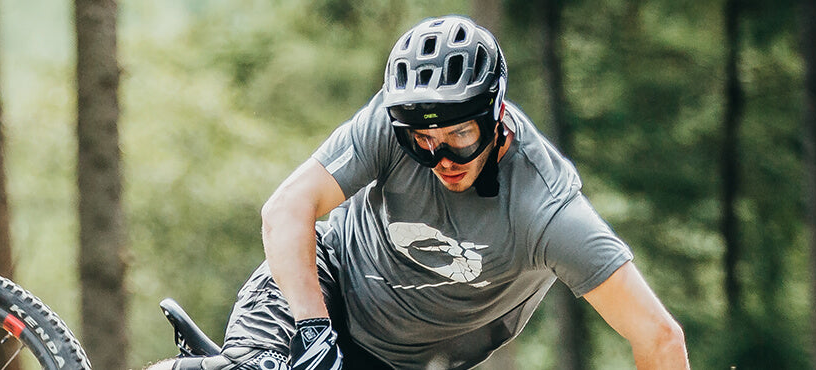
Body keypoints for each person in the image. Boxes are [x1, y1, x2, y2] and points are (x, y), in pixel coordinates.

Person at [148, 15, 687, 370]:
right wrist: (314, 331)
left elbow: (660, 337)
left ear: (496, 116)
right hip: (322, 288)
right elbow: (287, 207)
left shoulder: (546, 211)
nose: (442, 160)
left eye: (459, 137)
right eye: (424, 142)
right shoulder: (389, 125)